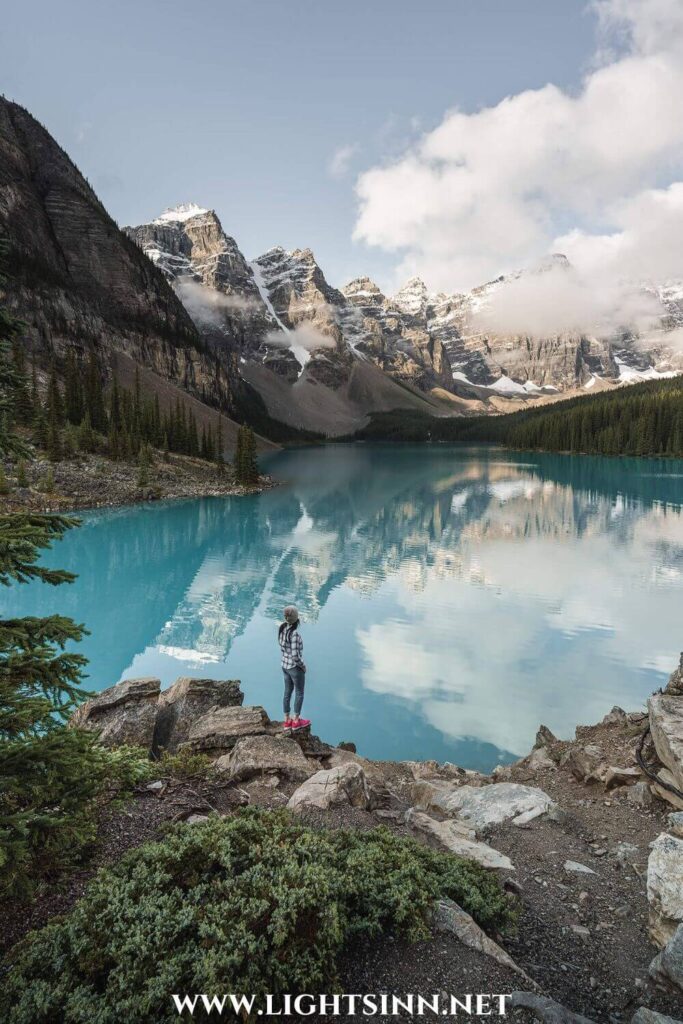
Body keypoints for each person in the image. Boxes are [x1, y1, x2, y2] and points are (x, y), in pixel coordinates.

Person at [279, 605, 310, 732]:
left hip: (284, 666)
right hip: (294, 668)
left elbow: (283, 648)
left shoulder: (282, 629)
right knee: (299, 692)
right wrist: (303, 666)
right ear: (296, 619)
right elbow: (295, 656)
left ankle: (287, 720)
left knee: (287, 692)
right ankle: (296, 721)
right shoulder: (295, 634)